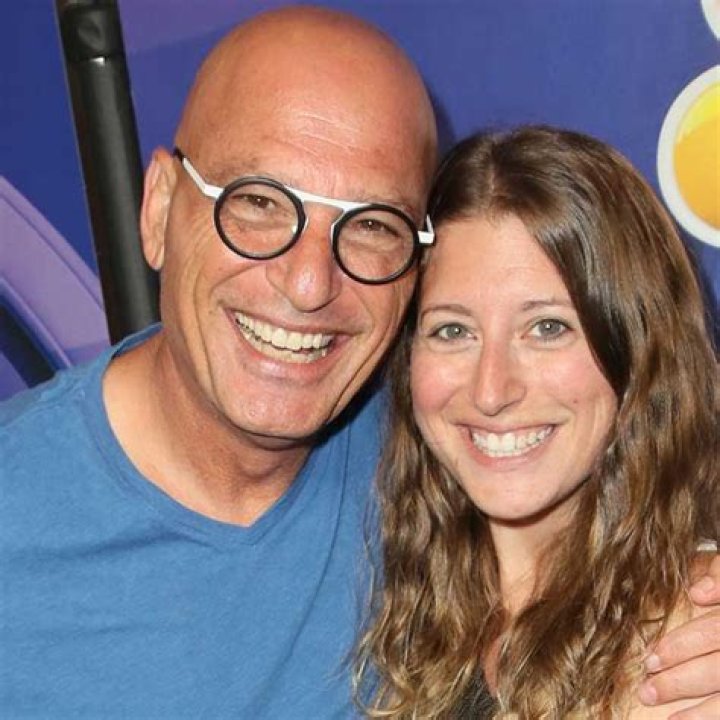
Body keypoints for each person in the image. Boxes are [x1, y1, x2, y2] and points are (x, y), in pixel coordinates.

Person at [0, 6, 717, 717]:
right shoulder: (19, 515)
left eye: (370, 225)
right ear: (159, 209)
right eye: (258, 203)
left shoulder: (432, 446)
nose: (310, 283)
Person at [356, 125, 719, 718]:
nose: (491, 390)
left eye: (548, 328)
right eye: (453, 330)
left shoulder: (682, 654)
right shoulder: (426, 606)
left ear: (637, 350)